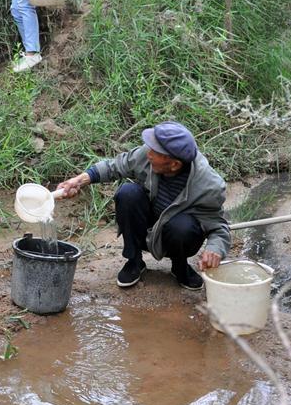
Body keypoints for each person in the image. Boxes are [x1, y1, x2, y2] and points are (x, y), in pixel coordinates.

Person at [57, 121, 230, 289]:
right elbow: (115, 166)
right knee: (128, 193)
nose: (149, 153)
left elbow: (219, 228)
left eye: (155, 151)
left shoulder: (210, 186)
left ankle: (180, 266)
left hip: (176, 234)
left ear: (174, 164)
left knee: (182, 227)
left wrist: (215, 249)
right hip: (147, 224)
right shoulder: (148, 155)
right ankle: (134, 261)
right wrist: (79, 181)